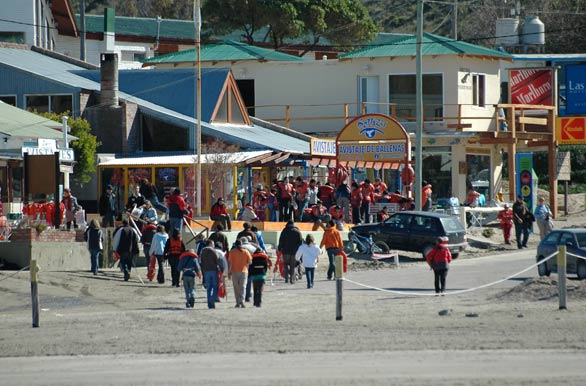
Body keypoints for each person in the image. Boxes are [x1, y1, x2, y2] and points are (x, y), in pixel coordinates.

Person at [228, 239, 252, 308]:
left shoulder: (232, 252)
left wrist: (229, 272)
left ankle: (237, 302)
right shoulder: (245, 251)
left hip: (234, 271)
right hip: (244, 271)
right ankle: (242, 300)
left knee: (236, 287)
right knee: (243, 287)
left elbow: (230, 263)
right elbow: (250, 262)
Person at [200, 239, 224, 309]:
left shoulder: (202, 251)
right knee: (215, 286)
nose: (213, 245)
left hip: (206, 271)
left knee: (208, 288)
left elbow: (201, 262)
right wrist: (222, 269)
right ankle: (213, 298)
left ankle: (209, 303)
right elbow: (218, 260)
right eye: (213, 244)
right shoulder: (214, 251)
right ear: (210, 244)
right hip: (213, 270)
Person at [278, 220, 303, 284]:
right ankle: (292, 279)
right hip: (295, 252)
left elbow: (281, 240)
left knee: (285, 264)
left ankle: (286, 278)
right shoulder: (297, 231)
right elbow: (300, 242)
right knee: (292, 265)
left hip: (285, 251)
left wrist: (279, 248)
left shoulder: (284, 231)